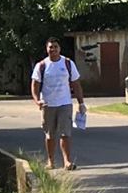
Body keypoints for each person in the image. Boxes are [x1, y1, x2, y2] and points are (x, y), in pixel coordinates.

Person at [31, 38, 87, 170]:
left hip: (65, 103)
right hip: (48, 105)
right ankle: (51, 162)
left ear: (59, 48)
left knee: (65, 133)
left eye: (55, 47)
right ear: (47, 49)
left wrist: (81, 103)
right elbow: (35, 85)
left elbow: (76, 84)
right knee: (50, 134)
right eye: (51, 47)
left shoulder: (67, 63)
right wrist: (37, 100)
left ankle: (67, 161)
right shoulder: (42, 65)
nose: (53, 49)